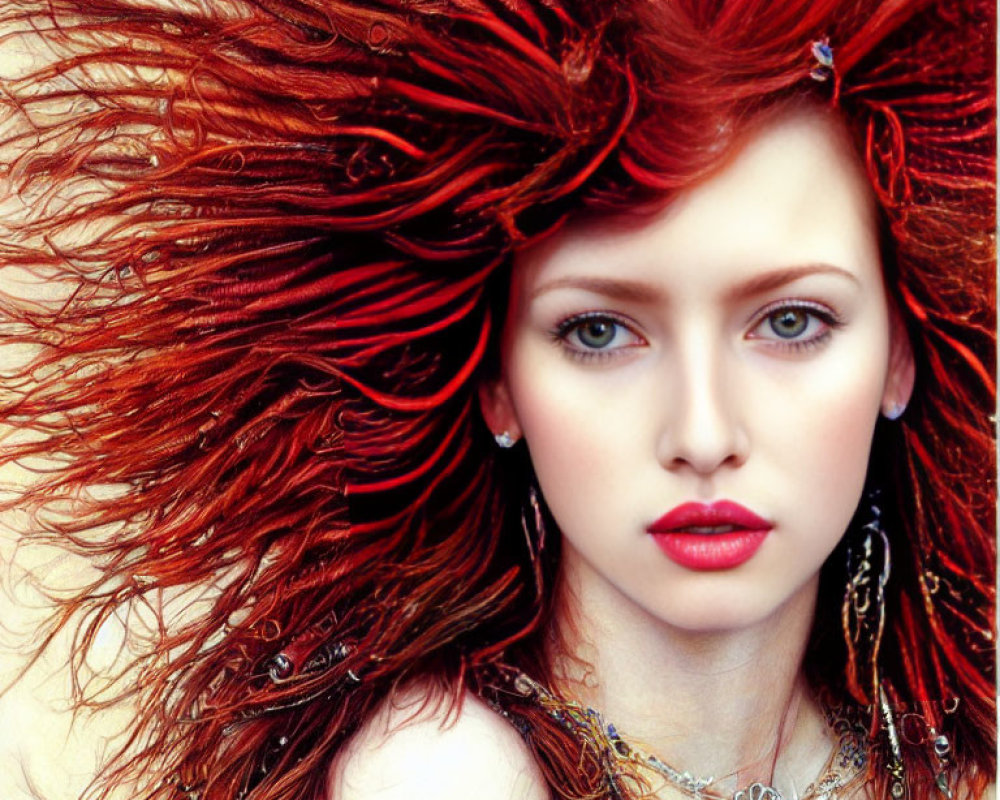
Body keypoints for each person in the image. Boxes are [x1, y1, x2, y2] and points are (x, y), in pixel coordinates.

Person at [0, 0, 993, 799]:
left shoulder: (939, 766)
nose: (702, 433)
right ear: (496, 384)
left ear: (900, 354)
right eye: (598, 331)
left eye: (789, 322)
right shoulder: (444, 771)